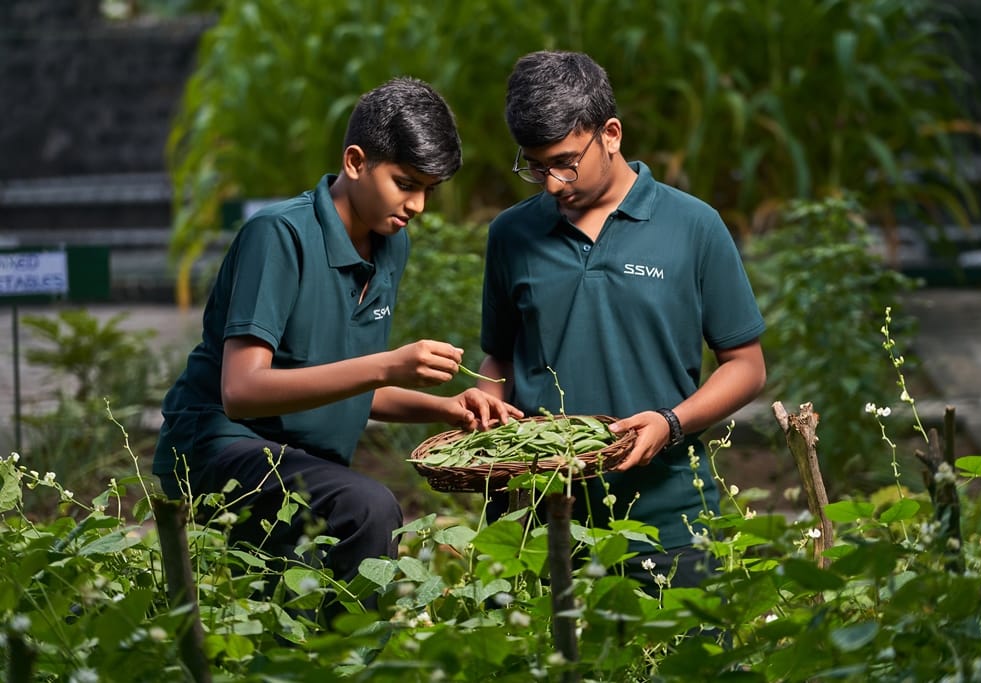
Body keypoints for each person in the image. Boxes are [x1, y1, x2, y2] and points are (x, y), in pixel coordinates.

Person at [153, 77, 522, 597]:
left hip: (306, 460)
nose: (417, 204)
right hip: (224, 444)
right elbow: (241, 391)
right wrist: (388, 364)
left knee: (297, 592)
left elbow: (345, 379)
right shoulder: (278, 236)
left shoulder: (390, 245)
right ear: (355, 162)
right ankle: (358, 659)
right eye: (405, 182)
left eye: (428, 190)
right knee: (368, 507)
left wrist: (445, 407)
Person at [475, 51, 767, 593]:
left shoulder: (694, 226)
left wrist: (670, 422)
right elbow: (499, 358)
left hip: (670, 515)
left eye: (564, 162)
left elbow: (746, 367)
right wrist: (485, 408)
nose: (552, 184)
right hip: (537, 520)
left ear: (610, 133)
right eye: (535, 167)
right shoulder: (510, 235)